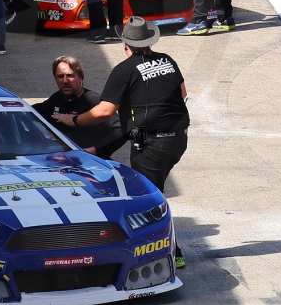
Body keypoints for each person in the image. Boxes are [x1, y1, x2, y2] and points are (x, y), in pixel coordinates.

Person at [55, 17, 189, 268]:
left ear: (125, 43)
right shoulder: (167, 60)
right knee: (154, 191)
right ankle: (165, 248)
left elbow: (104, 111)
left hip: (152, 146)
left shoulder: (124, 70)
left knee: (145, 200)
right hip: (178, 140)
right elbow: (182, 93)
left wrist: (73, 121)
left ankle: (170, 251)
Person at [34, 56, 125, 159]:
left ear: (80, 77)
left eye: (70, 75)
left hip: (90, 163)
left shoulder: (92, 101)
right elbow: (30, 112)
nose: (65, 81)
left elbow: (120, 129)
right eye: (60, 76)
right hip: (62, 162)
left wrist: (95, 150)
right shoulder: (56, 99)